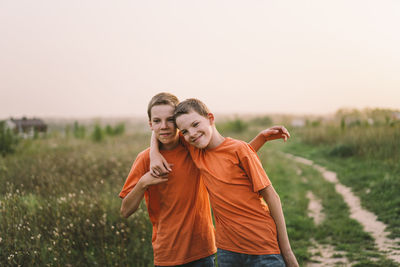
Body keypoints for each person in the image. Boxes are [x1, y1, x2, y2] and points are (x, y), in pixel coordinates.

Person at [120, 93, 290, 267]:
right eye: (157, 121)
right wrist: (145, 176)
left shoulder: (192, 147)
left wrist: (259, 139)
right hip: (167, 253)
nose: (164, 126)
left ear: (178, 123)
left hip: (204, 250)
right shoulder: (146, 159)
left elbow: (228, 160)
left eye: (170, 120)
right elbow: (125, 211)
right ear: (150, 124)